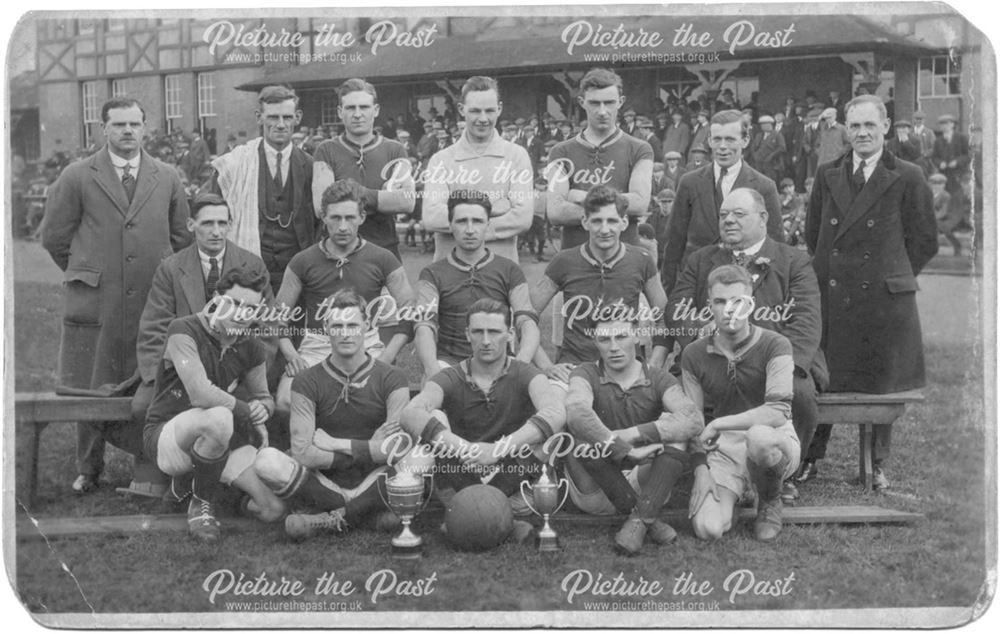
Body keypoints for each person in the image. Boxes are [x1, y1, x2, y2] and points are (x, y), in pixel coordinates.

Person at [42, 97, 190, 494]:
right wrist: (86, 274)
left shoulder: (168, 176)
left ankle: (155, 463)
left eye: (135, 124)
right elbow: (53, 237)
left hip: (150, 299)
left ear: (146, 128)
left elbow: (182, 238)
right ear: (102, 129)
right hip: (97, 301)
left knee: (153, 380)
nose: (128, 132)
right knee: (91, 379)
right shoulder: (77, 176)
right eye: (119, 124)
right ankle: (88, 468)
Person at [802, 95, 938, 489]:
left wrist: (891, 274)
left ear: (886, 127)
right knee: (826, 379)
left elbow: (925, 239)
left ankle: (877, 464)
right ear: (846, 129)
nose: (862, 133)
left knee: (880, 382)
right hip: (834, 296)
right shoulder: (828, 173)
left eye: (869, 126)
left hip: (883, 303)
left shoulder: (908, 174)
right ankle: (812, 457)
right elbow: (814, 236)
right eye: (855, 126)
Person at [667, 187, 826, 502]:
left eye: (739, 214)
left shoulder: (793, 260)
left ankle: (782, 471)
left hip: (776, 359)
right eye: (724, 215)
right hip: (713, 354)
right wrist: (702, 337)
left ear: (764, 218)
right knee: (669, 391)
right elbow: (676, 308)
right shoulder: (701, 259)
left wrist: (775, 363)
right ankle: (683, 464)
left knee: (800, 390)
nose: (728, 221)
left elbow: (806, 320)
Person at [136, 192, 274, 483]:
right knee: (141, 405)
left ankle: (230, 474)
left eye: (222, 223)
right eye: (207, 223)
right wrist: (160, 375)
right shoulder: (172, 267)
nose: (215, 231)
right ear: (190, 225)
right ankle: (157, 473)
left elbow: (267, 327)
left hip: (234, 371)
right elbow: (154, 328)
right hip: (180, 370)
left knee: (242, 410)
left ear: (230, 224)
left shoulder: (251, 264)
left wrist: (243, 376)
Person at [252, 290, 413, 540]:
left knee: (420, 458)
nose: (345, 333)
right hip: (325, 482)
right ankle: (366, 513)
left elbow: (397, 448)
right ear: (326, 327)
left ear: (367, 326)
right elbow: (304, 453)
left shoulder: (393, 377)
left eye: (352, 325)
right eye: (337, 325)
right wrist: (369, 448)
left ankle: (332, 518)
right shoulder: (306, 380)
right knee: (267, 461)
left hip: (373, 477)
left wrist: (337, 444)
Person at [141, 269, 282, 543]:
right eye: (236, 304)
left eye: (251, 308)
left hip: (223, 441)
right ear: (217, 298)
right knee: (218, 417)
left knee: (273, 509)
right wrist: (246, 413)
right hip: (169, 436)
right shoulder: (183, 329)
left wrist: (263, 409)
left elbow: (264, 396)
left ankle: (206, 490)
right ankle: (201, 504)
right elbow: (200, 394)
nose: (242, 315)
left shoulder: (251, 345)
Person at [401, 298, 565, 512]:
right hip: (462, 475)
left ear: (511, 335)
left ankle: (482, 508)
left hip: (513, 481)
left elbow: (556, 413)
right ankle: (482, 509)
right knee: (432, 420)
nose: (486, 341)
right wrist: (464, 448)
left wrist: (497, 450)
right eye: (478, 332)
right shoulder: (452, 375)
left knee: (554, 432)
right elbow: (409, 413)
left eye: (495, 332)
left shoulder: (526, 374)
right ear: (468, 334)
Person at [273, 180, 415, 414]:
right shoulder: (303, 261)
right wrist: (292, 356)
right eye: (335, 218)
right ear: (324, 218)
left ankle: (368, 446)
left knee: (385, 402)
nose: (342, 226)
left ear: (362, 217)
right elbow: (276, 318)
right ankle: (308, 445)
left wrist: (387, 356)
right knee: (286, 400)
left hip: (366, 343)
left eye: (349, 218)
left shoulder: (383, 258)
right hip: (318, 344)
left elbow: (410, 314)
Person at [563, 318, 702, 554]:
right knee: (581, 434)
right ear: (595, 342)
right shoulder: (585, 372)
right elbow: (577, 412)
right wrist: (624, 448)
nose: (614, 347)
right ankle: (648, 518)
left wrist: (633, 434)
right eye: (604, 339)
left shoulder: (657, 377)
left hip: (644, 482)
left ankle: (638, 521)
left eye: (621, 337)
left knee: (678, 430)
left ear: (638, 336)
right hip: (597, 489)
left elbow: (694, 419)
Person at [683, 264, 800, 541]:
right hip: (725, 449)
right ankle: (738, 497)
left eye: (738, 301)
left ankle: (770, 500)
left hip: (774, 439)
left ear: (751, 304)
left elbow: (778, 411)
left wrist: (720, 423)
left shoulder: (776, 344)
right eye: (720, 302)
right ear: (708, 304)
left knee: (759, 438)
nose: (729, 310)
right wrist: (701, 469)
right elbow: (692, 421)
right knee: (708, 528)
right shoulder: (693, 354)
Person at [531, 185, 670, 380]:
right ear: (585, 222)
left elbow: (665, 317)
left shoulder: (641, 260)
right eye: (597, 221)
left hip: (627, 371)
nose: (605, 229)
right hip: (575, 370)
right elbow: (526, 315)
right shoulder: (564, 261)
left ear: (623, 222)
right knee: (563, 409)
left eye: (612, 221)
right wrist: (546, 366)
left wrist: (653, 364)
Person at [415, 190, 540, 377]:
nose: (470, 230)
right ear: (450, 225)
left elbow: (526, 322)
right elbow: (424, 327)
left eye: (478, 221)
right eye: (461, 221)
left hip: (501, 362)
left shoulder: (510, 269)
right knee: (430, 401)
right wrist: (433, 371)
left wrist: (520, 366)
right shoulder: (432, 273)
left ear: (488, 225)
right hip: (449, 363)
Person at [660, 109, 783, 294]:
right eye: (717, 139)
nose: (722, 146)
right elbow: (674, 241)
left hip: (747, 287)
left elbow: (775, 246)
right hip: (697, 285)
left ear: (745, 140)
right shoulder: (689, 182)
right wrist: (669, 292)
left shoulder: (765, 186)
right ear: (709, 141)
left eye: (730, 139)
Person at [208, 85, 318, 291]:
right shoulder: (235, 164)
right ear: (259, 117)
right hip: (247, 271)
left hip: (297, 274)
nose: (281, 125)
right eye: (273, 118)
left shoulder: (312, 166)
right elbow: (209, 212)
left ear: (298, 117)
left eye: (287, 117)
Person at [422, 76, 534, 263]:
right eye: (475, 111)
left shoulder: (516, 156)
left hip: (501, 273)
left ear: (499, 109)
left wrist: (459, 219)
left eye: (489, 111)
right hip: (450, 273)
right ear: (461, 109)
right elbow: (432, 217)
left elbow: (522, 218)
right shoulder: (441, 160)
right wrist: (497, 207)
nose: (483, 119)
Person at [545, 68, 654, 250]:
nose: (602, 111)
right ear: (582, 102)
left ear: (621, 102)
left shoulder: (639, 149)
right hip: (574, 258)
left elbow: (640, 204)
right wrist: (616, 208)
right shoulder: (561, 151)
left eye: (609, 103)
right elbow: (556, 212)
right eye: (595, 103)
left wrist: (580, 197)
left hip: (625, 258)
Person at [311, 79, 415, 261]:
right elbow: (321, 207)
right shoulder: (326, 150)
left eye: (364, 107)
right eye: (350, 108)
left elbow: (406, 202)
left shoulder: (395, 150)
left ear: (375, 110)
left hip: (385, 253)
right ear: (339, 112)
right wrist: (381, 199)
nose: (357, 114)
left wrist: (352, 192)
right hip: (339, 254)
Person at [931, 114, 970, 194]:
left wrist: (957, 162)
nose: (944, 126)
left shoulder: (961, 138)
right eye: (942, 124)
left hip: (959, 174)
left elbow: (968, 155)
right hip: (944, 175)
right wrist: (940, 163)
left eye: (947, 124)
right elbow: (934, 157)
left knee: (958, 195)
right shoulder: (938, 141)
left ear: (952, 124)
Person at [928, 173, 961, 256]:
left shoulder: (946, 196)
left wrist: (931, 219)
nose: (937, 187)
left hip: (946, 219)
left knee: (942, 228)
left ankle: (957, 246)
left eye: (940, 184)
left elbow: (943, 211)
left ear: (944, 185)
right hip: (931, 218)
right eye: (934, 184)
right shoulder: (927, 195)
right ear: (930, 185)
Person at [749, 115, 787, 184]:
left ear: (770, 125)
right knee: (759, 181)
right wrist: (755, 155)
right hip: (759, 163)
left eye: (764, 125)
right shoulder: (759, 135)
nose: (762, 127)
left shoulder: (777, 135)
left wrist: (772, 156)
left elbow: (782, 148)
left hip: (772, 163)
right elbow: (753, 146)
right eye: (762, 125)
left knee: (770, 181)